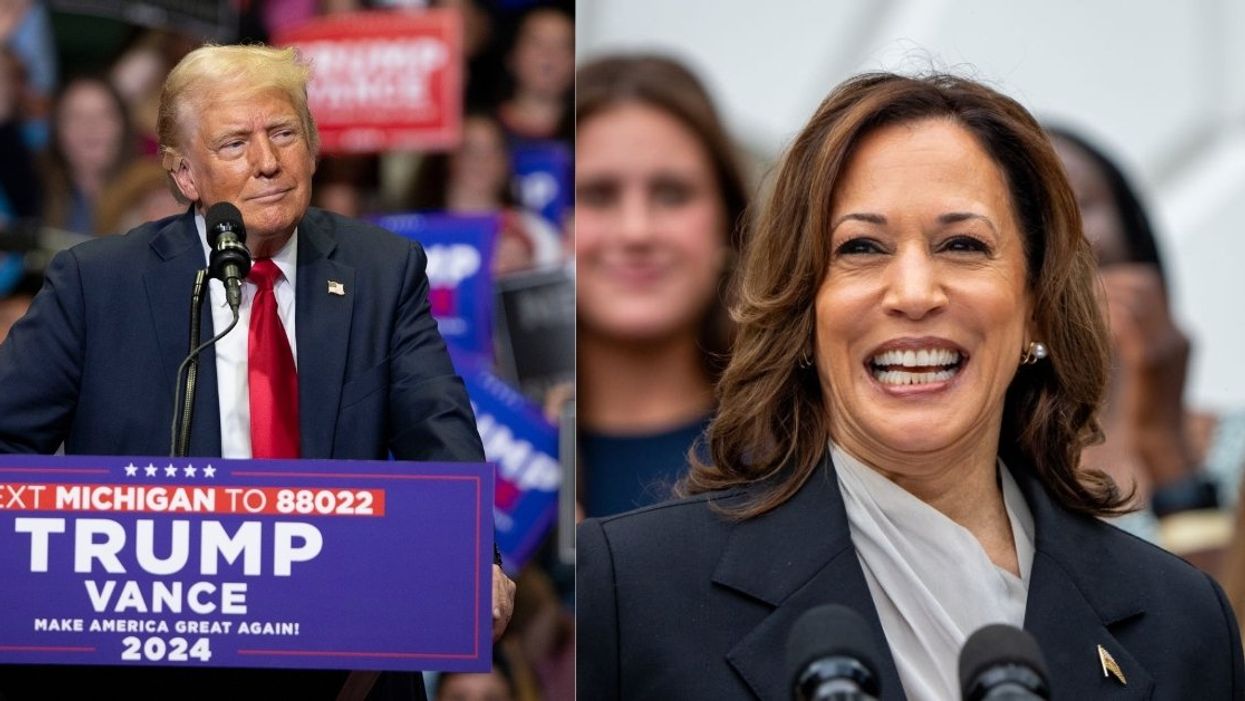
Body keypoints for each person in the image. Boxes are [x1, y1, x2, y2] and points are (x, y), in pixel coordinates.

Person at [577, 72, 1244, 700]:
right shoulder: (630, 586)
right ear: (802, 309)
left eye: (962, 245)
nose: (915, 292)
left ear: (1036, 303)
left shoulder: (1182, 616)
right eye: (861, 249)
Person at [0, 44, 514, 700]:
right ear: (184, 174)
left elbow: (435, 427)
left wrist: (472, 559)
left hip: (342, 662)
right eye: (235, 143)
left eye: (282, 133)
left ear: (314, 144)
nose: (268, 163)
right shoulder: (96, 284)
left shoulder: (382, 271)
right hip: (153, 658)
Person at [1049, 126, 1244, 558]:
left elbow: (1227, 621)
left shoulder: (1236, 450)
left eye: (1078, 201)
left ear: (1129, 227)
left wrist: (1165, 445)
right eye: (1027, 208)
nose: (1058, 230)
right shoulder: (964, 473)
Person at [575, 54, 748, 517]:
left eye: (672, 193)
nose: (636, 231)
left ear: (729, 222)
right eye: (597, 194)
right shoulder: (485, 451)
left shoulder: (811, 449)